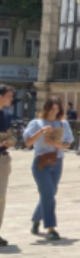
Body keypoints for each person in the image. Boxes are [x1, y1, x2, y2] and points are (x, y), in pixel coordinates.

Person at [23, 96, 74, 241]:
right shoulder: (37, 123)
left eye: (56, 109)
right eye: (51, 108)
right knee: (48, 195)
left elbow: (68, 143)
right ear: (46, 108)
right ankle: (51, 228)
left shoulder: (63, 123)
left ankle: (36, 219)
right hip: (41, 163)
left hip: (57, 162)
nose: (54, 111)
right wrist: (41, 131)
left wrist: (60, 145)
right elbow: (27, 142)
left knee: (50, 193)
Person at [0, 85, 15, 247]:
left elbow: (9, 135)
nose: (12, 99)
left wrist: (10, 142)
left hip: (2, 160)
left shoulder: (6, 115)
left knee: (1, 198)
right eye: (9, 96)